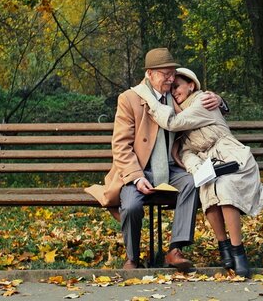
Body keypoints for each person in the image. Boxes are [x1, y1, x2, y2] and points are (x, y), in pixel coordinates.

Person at [85, 48, 225, 270]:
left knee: (191, 183)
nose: (171, 79)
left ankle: (175, 251)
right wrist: (137, 177)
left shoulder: (177, 97)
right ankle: (132, 258)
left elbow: (202, 102)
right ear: (149, 74)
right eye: (165, 74)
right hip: (138, 170)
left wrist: (219, 100)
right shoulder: (129, 99)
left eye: (172, 73)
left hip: (171, 169)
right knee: (130, 206)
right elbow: (121, 146)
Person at [132, 68, 263, 278]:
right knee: (207, 188)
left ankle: (238, 251)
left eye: (177, 85)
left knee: (223, 188)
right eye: (172, 87)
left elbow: (172, 123)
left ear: (191, 85)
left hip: (233, 159)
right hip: (211, 166)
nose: (174, 90)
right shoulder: (182, 116)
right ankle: (224, 245)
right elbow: (186, 153)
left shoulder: (203, 102)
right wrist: (197, 169)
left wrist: (150, 100)